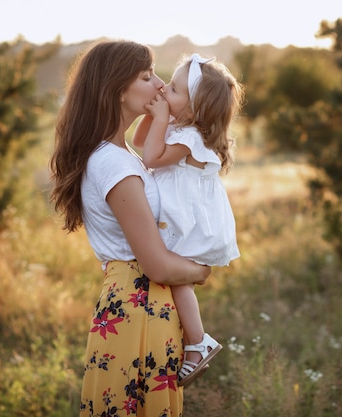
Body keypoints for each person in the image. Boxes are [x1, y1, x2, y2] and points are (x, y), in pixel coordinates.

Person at [49, 41, 211, 417]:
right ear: (118, 90)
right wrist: (202, 270)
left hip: (143, 306)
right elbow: (156, 265)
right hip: (139, 307)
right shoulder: (115, 166)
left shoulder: (122, 156)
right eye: (146, 76)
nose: (159, 84)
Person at [132, 53, 244, 387]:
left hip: (187, 221)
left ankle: (198, 342)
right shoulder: (180, 127)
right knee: (170, 275)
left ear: (194, 110)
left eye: (175, 89)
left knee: (177, 278)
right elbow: (140, 143)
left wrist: (161, 115)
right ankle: (190, 339)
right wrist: (157, 115)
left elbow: (151, 157)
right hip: (177, 215)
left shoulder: (191, 138)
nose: (165, 89)